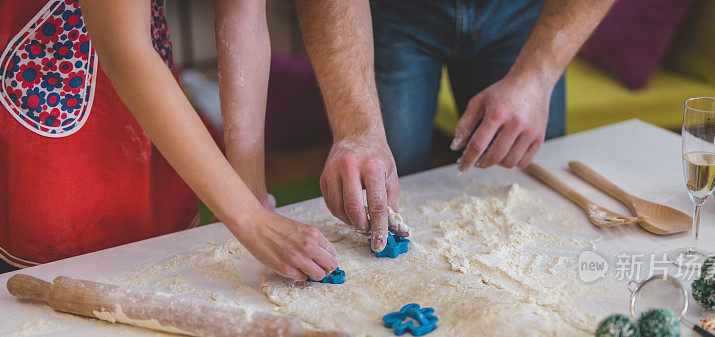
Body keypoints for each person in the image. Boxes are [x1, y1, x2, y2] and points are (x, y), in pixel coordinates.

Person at [0, 0, 336, 281]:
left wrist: (250, 192)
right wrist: (251, 221)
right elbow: (124, 48)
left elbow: (241, 16)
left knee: (158, 247)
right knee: (63, 273)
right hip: (44, 86)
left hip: (146, 86)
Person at [295, 0, 615, 250]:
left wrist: (537, 76)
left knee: (530, 185)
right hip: (391, 13)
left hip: (526, 15)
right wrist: (357, 129)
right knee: (382, 183)